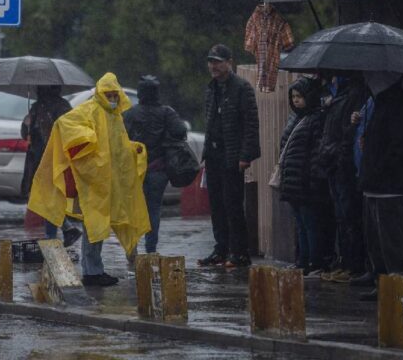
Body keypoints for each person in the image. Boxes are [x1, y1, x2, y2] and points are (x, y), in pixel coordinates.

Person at [27, 73, 150, 287]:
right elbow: (65, 124)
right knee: (94, 224)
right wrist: (88, 141)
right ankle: (93, 272)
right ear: (100, 93)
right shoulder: (90, 110)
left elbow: (113, 146)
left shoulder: (114, 116)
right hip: (92, 181)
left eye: (115, 94)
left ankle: (94, 270)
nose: (112, 98)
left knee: (98, 225)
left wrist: (131, 149)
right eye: (108, 94)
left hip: (106, 181)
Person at [198, 44, 260, 268]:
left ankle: (239, 252)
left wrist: (245, 156)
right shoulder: (212, 88)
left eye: (217, 61)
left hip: (232, 155)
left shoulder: (242, 88)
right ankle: (221, 248)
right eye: (211, 61)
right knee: (216, 205)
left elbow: (251, 124)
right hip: (213, 154)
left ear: (229, 62)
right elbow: (210, 121)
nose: (213, 66)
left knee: (232, 204)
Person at [357, 79, 403, 301]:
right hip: (374, 185)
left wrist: (378, 167)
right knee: (376, 242)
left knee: (393, 241)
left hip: (391, 186)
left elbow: (400, 147)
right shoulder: (380, 104)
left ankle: (399, 286)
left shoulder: (400, 106)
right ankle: (382, 282)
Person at [124, 75, 187, 254]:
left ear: (140, 93)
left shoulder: (130, 113)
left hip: (135, 171)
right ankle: (150, 249)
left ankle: (132, 247)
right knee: (153, 209)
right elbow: (180, 131)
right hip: (158, 170)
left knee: (133, 209)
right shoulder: (167, 113)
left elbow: (121, 137)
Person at [316, 76, 369, 282]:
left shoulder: (354, 94)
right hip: (332, 161)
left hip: (343, 164)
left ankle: (354, 265)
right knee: (341, 216)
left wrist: (339, 156)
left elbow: (348, 131)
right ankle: (345, 262)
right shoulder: (333, 94)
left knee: (349, 216)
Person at [278, 77, 327, 276]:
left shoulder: (315, 119)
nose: (296, 100)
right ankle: (302, 260)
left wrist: (313, 179)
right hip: (293, 180)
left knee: (310, 223)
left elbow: (316, 152)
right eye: (293, 97)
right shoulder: (296, 119)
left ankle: (314, 262)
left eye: (300, 96)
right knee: (300, 224)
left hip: (306, 181)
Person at [20, 85, 81, 247]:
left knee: (48, 197)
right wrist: (27, 123)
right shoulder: (40, 107)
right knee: (47, 197)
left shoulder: (58, 108)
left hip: (51, 159)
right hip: (43, 159)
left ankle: (57, 233)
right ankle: (64, 230)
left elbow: (69, 132)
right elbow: (25, 133)